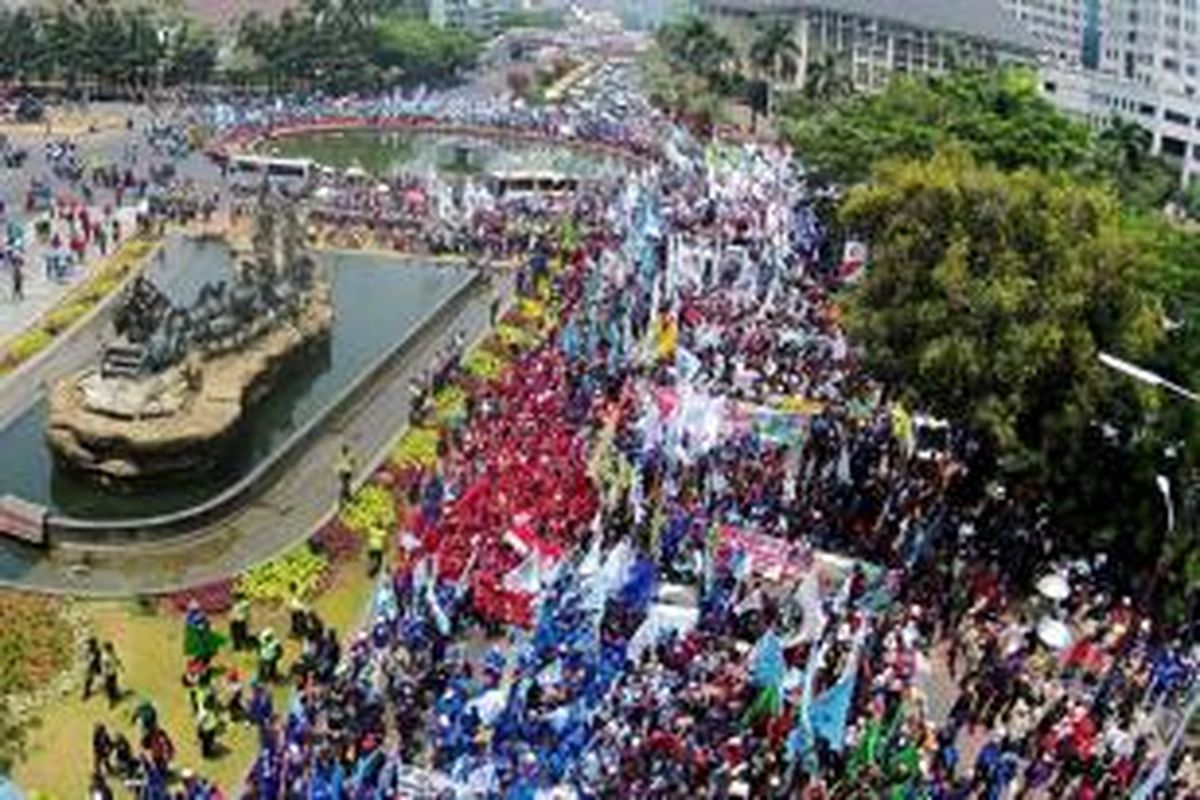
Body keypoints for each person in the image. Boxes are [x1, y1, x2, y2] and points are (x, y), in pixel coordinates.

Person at [100, 641, 122, 707]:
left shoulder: (106, 655)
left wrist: (120, 666)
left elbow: (116, 660)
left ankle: (112, 699)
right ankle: (112, 700)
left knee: (111, 687)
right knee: (110, 687)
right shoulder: (106, 655)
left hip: (110, 673)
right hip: (110, 673)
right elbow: (115, 661)